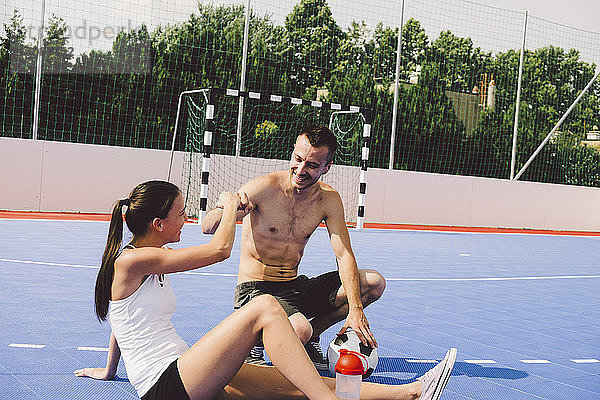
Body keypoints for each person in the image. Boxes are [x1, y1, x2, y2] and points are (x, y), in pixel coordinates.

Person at [73, 179, 457, 400]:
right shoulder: (132, 261)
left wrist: (110, 371)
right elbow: (220, 250)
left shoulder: (150, 257)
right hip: (166, 386)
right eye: (180, 213)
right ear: (157, 223)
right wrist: (227, 205)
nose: (186, 219)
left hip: (187, 374)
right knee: (264, 308)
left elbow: (123, 322)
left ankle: (411, 392)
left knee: (295, 386)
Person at [201, 125, 385, 368]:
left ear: (326, 167)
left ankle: (313, 335)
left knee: (373, 283)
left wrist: (355, 309)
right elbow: (207, 226)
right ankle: (252, 338)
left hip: (293, 288)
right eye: (298, 159)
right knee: (299, 329)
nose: (300, 170)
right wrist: (227, 204)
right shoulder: (263, 188)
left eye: (311, 165)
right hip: (255, 290)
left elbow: (343, 254)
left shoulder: (328, 200)